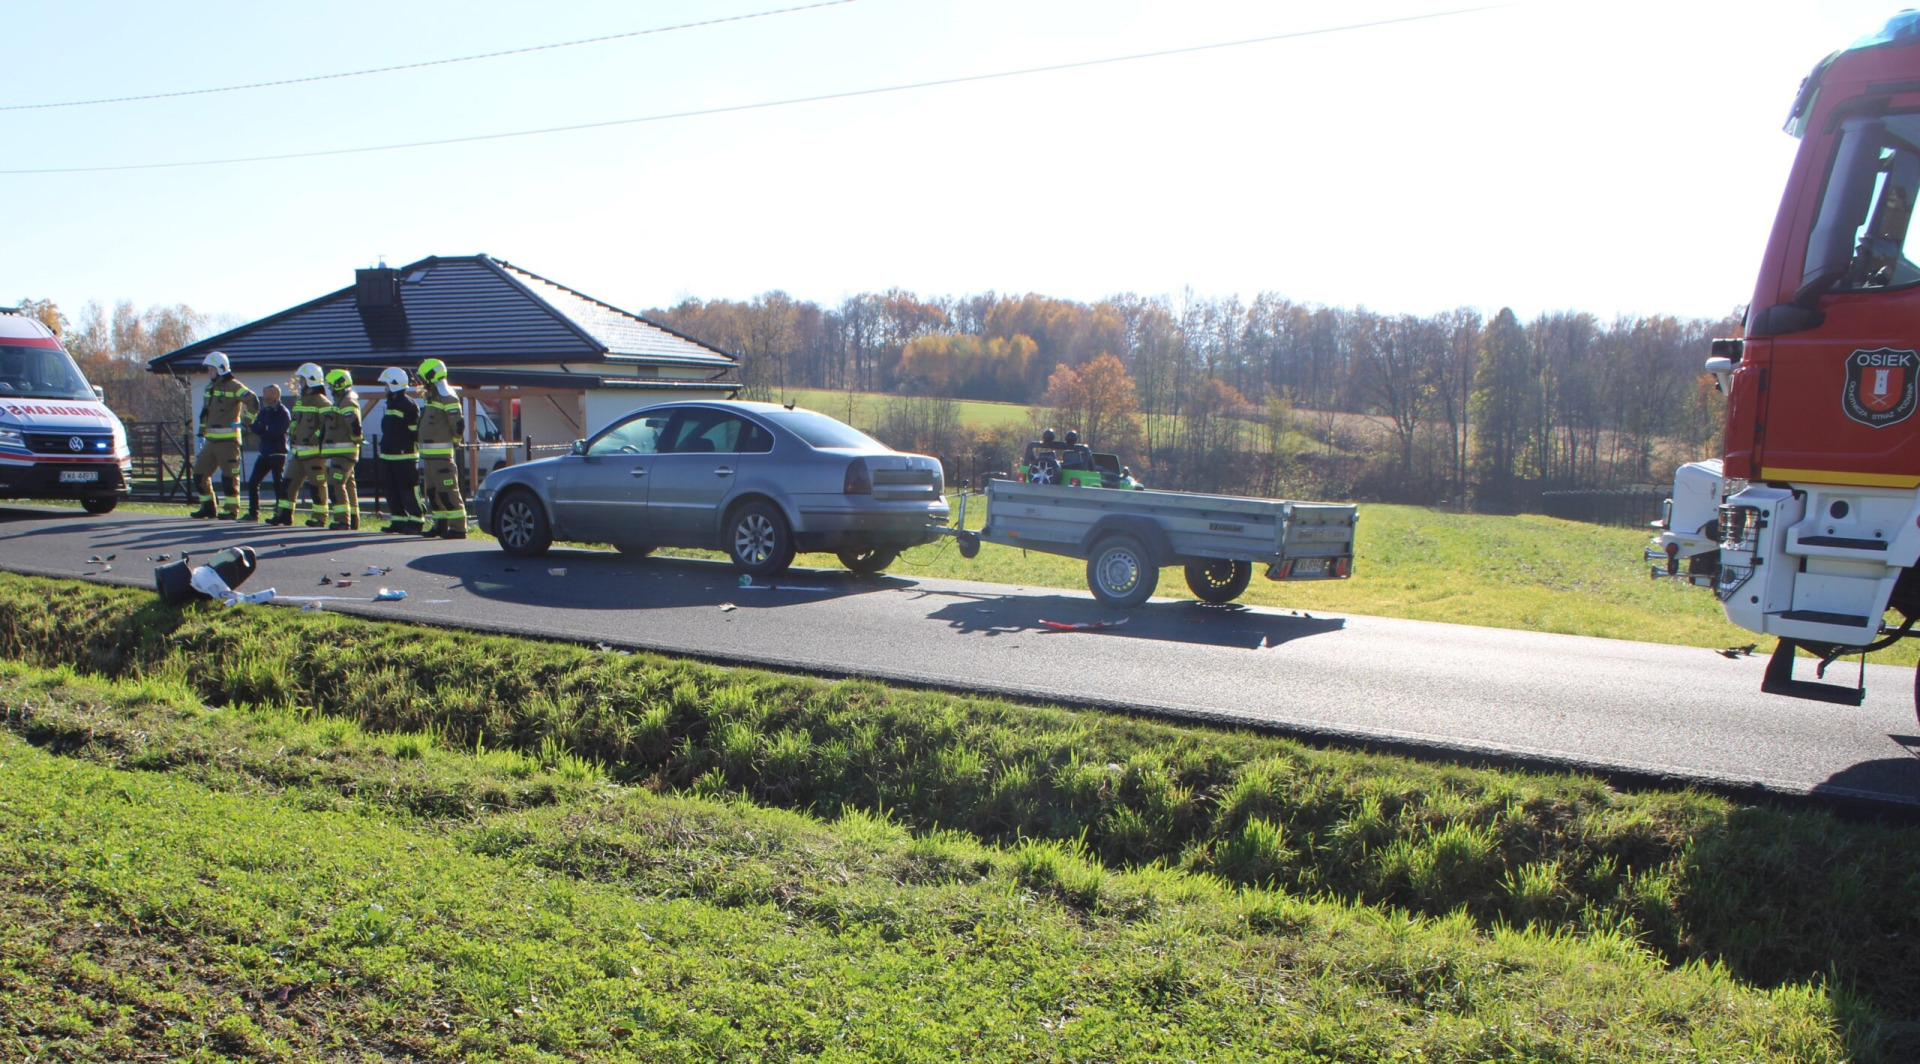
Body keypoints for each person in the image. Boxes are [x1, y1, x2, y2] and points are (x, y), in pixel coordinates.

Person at [187, 351, 260, 520]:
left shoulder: (234, 386)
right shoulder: (210, 388)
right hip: (211, 440)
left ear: (220, 369)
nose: (208, 372)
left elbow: (253, 401)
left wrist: (245, 422)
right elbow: (205, 413)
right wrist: (201, 433)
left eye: (211, 369)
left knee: (229, 477)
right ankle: (208, 507)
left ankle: (231, 509)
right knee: (199, 475)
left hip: (228, 441)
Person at [266, 363, 332, 527]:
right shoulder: (300, 401)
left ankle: (319, 518)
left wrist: (315, 438)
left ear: (311, 380)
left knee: (317, 486)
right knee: (288, 483)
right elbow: (295, 423)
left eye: (302, 379)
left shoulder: (323, 403)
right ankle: (284, 515)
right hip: (298, 453)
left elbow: (327, 426)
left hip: (314, 454)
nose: (299, 382)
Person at [415, 357, 467, 538]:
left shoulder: (448, 396)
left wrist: (455, 440)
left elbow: (458, 425)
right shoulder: (432, 397)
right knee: (432, 493)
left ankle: (458, 528)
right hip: (429, 457)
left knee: (448, 492)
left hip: (442, 456)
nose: (421, 383)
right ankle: (440, 525)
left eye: (423, 378)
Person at [376, 366, 425, 534]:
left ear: (395, 384)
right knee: (391, 491)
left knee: (408, 490)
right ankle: (398, 521)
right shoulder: (392, 404)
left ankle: (416, 521)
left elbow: (414, 432)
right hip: (389, 456)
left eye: (387, 385)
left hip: (405, 457)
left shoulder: (409, 405)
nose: (385, 388)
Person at [322, 368, 365, 530]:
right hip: (342, 452)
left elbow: (354, 426)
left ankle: (342, 521)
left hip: (345, 452)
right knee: (348, 485)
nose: (330, 388)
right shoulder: (342, 400)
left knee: (335, 483)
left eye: (332, 385)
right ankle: (353, 520)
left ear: (339, 385)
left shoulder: (347, 401)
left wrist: (354, 441)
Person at [242, 383, 290, 521]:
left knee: (277, 483)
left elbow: (276, 431)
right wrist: (264, 428)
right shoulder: (264, 411)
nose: (264, 396)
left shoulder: (283, 412)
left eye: (267, 393)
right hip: (264, 452)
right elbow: (256, 428)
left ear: (275, 394)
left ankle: (279, 513)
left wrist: (264, 428)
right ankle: (253, 513)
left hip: (278, 452)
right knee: (253, 482)